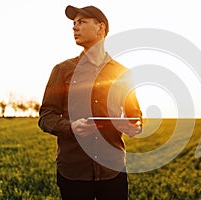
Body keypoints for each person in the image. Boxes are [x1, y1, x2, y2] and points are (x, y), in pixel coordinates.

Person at [38, 5, 142, 200]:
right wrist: (71, 127)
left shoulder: (123, 73)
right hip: (73, 171)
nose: (74, 28)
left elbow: (136, 116)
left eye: (81, 22)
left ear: (100, 28)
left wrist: (132, 126)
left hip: (113, 169)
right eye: (74, 24)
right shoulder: (62, 70)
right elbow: (46, 117)